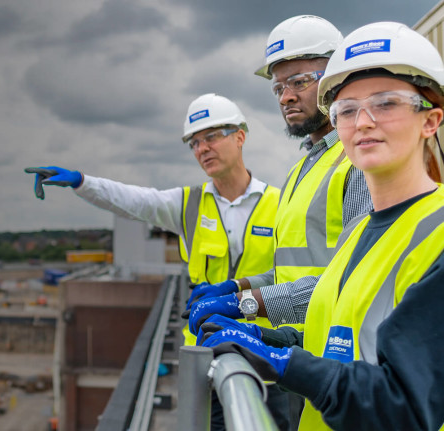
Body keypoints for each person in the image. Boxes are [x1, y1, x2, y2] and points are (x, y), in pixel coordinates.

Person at [200, 21, 444, 430]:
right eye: (347, 110)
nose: (363, 122)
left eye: (385, 103)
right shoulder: (359, 234)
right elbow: (338, 338)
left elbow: (401, 403)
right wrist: (270, 341)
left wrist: (285, 361)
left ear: (430, 121)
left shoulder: (435, 236)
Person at [27, 93, 288, 430]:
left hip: (267, 351)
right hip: (207, 352)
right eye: (194, 143)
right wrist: (82, 182)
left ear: (240, 136)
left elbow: (293, 274)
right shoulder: (188, 204)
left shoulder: (282, 204)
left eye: (211, 136)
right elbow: (134, 201)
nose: (202, 149)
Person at [187, 15, 374, 336]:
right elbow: (291, 273)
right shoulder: (300, 171)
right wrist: (236, 287)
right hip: (303, 355)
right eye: (278, 87)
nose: (285, 97)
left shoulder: (358, 160)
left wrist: (245, 303)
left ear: (337, 79)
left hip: (341, 354)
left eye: (299, 81)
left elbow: (353, 279)